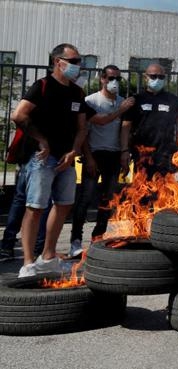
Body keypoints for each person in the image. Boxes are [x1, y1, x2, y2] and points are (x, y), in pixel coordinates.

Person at [10, 43, 89, 277]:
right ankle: (27, 263)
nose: (77, 66)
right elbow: (19, 114)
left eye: (79, 62)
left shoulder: (77, 92)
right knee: (35, 207)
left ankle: (48, 257)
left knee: (64, 204)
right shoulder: (42, 86)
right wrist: (42, 140)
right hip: (42, 158)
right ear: (58, 61)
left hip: (66, 158)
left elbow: (82, 128)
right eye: (73, 61)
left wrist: (74, 151)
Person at [68, 65, 135, 257]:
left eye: (117, 79)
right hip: (94, 153)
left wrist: (124, 152)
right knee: (85, 198)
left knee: (108, 199)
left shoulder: (123, 103)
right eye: (109, 78)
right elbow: (89, 129)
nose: (113, 82)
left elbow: (125, 130)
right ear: (102, 79)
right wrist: (88, 157)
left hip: (114, 156)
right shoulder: (91, 101)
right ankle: (75, 240)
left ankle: (98, 237)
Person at [121, 64, 178, 179]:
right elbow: (126, 127)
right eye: (153, 76)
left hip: (165, 154)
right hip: (141, 153)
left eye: (161, 77)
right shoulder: (136, 99)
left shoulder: (173, 100)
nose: (157, 80)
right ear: (146, 77)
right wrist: (124, 150)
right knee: (140, 190)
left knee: (164, 192)